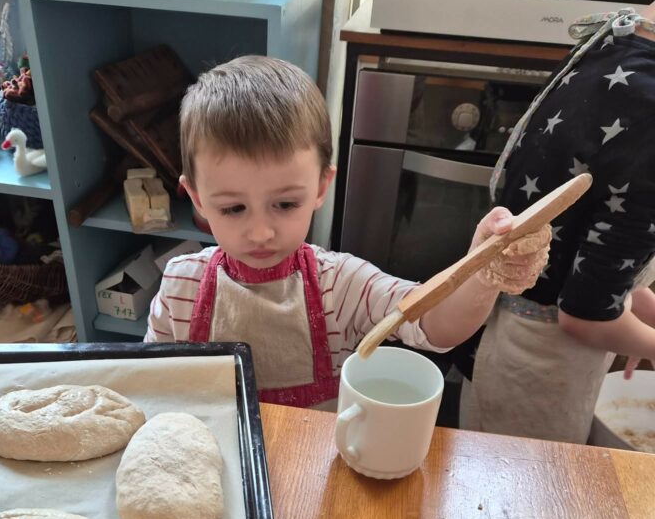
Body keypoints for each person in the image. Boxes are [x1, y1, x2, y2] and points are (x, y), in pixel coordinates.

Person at [145, 55, 551, 409]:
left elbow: (436, 326)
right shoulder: (182, 285)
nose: (261, 232)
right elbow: (151, 384)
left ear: (320, 187)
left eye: (285, 204)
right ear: (197, 199)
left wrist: (482, 272)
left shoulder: (340, 285)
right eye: (233, 209)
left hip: (313, 466)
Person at [458, 5, 655, 443]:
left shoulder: (617, 43)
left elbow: (592, 238)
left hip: (500, 333)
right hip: (538, 366)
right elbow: (584, 316)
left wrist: (638, 308)